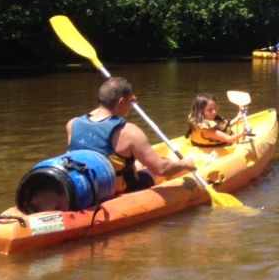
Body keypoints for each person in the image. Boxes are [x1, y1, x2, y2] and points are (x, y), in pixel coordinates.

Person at [66, 76, 198, 193]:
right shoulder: (129, 132)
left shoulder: (73, 123)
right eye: (130, 102)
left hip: (85, 186)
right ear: (121, 102)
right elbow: (161, 169)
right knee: (168, 163)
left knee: (136, 163)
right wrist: (185, 163)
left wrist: (127, 99)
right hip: (120, 188)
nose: (132, 106)